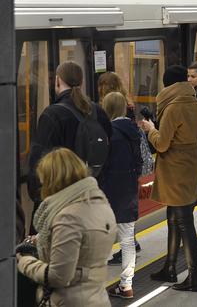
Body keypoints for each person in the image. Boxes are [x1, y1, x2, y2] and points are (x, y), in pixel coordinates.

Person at [17, 148, 117, 306]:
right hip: (97, 297)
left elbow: (59, 276)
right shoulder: (100, 204)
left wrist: (24, 262)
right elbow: (86, 246)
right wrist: (42, 239)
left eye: (44, 181)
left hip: (70, 301)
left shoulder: (68, 217)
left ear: (53, 180)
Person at [139, 65, 197, 291]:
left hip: (175, 171)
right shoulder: (196, 104)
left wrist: (150, 129)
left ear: (167, 85)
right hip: (191, 167)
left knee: (184, 223)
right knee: (174, 216)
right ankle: (169, 267)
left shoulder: (172, 108)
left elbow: (161, 143)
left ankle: (194, 277)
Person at [27, 61, 112, 228]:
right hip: (92, 202)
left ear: (57, 80)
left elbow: (37, 164)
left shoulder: (52, 115)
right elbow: (108, 153)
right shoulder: (98, 112)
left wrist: (38, 198)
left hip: (59, 207)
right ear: (82, 82)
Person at [99, 92, 143, 300]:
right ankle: (126, 286)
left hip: (108, 193)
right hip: (128, 191)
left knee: (99, 241)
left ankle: (95, 287)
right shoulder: (133, 130)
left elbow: (102, 166)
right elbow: (140, 163)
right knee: (127, 241)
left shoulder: (108, 133)